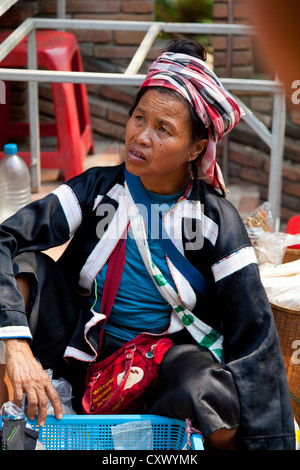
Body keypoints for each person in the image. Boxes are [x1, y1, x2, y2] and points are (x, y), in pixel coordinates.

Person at [0, 38, 295, 450]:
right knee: (24, 267)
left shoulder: (214, 221)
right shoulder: (98, 191)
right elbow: (5, 237)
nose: (141, 136)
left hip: (160, 365)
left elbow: (254, 335)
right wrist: (16, 346)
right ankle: (14, 426)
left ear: (196, 148)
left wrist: (271, 443)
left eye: (163, 129)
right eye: (139, 118)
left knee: (215, 400)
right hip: (79, 349)